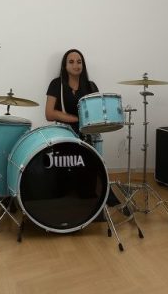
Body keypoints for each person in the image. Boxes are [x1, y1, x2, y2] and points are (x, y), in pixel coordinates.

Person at [44, 49, 122, 208]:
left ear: (83, 65)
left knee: (87, 190)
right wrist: (76, 119)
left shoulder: (91, 86)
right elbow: (49, 113)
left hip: (87, 134)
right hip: (65, 133)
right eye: (71, 62)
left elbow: (98, 113)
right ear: (65, 66)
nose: (76, 65)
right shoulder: (56, 84)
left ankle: (100, 194)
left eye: (79, 62)